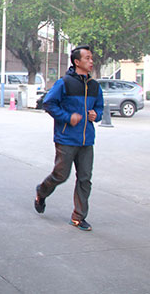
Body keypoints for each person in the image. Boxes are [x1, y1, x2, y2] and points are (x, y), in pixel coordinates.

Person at [34, 45, 104, 231]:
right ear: (77, 61)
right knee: (61, 175)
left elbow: (100, 107)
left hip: (86, 140)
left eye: (91, 58)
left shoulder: (94, 85)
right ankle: (41, 192)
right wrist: (68, 117)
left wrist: (96, 114)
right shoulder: (64, 83)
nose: (91, 61)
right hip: (66, 139)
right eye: (87, 58)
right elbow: (48, 103)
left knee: (85, 179)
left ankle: (78, 217)